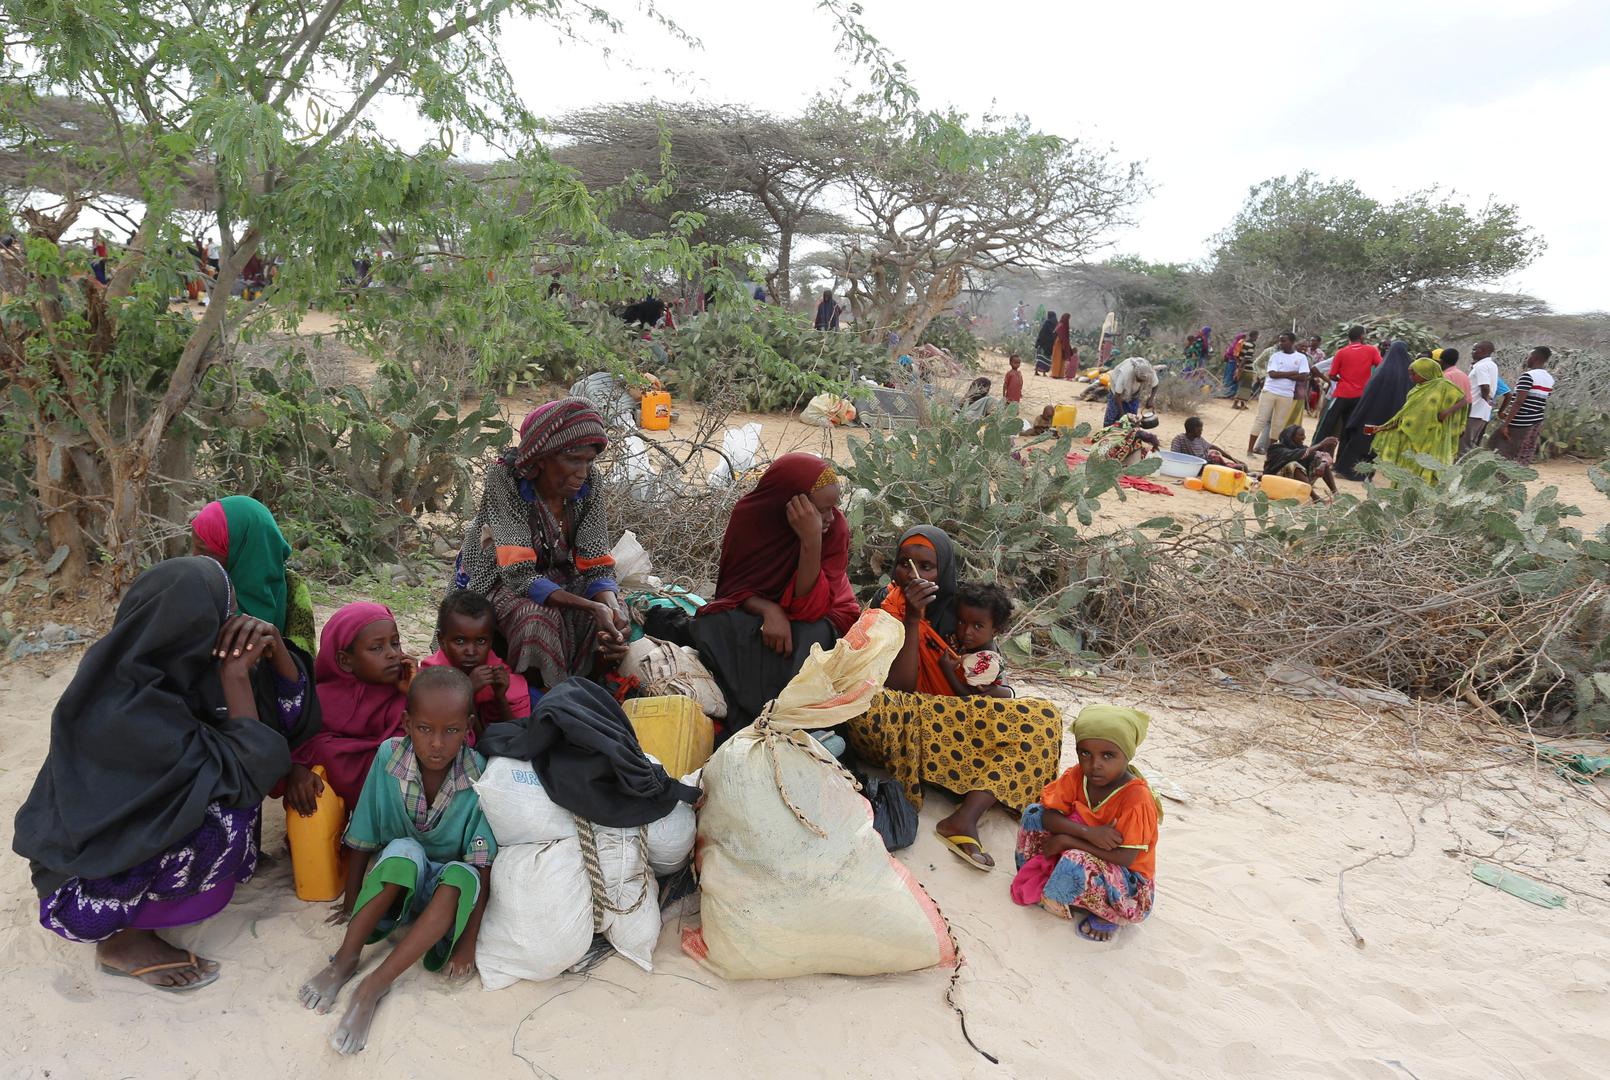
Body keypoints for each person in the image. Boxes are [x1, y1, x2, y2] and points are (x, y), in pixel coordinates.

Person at [12, 558, 320, 990]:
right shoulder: (127, 710)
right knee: (228, 806)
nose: (231, 622)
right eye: (223, 612)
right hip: (81, 895)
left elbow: (290, 724)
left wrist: (277, 649)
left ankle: (151, 908)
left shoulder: (178, 671)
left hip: (109, 857)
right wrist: (235, 676)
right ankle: (123, 942)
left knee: (224, 779)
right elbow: (254, 771)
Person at [298, 667, 495, 1055]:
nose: (437, 743)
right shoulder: (388, 757)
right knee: (404, 850)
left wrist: (467, 944)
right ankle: (345, 959)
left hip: (442, 899)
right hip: (398, 883)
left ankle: (373, 987)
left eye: (451, 731)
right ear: (406, 723)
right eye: (424, 729)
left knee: (461, 875)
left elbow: (482, 863)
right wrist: (352, 902)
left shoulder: (478, 774)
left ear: (468, 728)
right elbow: (364, 833)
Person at [845, 527, 1063, 870]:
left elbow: (986, 690)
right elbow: (899, 689)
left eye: (926, 566)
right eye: (904, 563)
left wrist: (987, 690)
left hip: (950, 718)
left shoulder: (965, 614)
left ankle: (965, 817)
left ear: (943, 570)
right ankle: (959, 776)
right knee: (872, 707)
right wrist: (913, 620)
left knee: (1044, 718)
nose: (912, 574)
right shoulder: (885, 604)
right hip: (897, 717)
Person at [453, 398, 628, 689]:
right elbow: (518, 574)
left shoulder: (589, 485)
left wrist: (609, 608)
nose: (583, 472)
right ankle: (538, 701)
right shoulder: (506, 479)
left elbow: (596, 562)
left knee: (619, 614)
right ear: (543, 457)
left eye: (589, 461)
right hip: (499, 580)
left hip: (558, 576)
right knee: (535, 620)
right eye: (573, 459)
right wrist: (590, 607)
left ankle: (589, 692)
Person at [689, 453, 859, 736]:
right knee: (714, 625)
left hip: (823, 615)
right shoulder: (751, 517)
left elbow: (810, 608)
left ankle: (789, 720)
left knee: (809, 636)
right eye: (822, 509)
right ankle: (753, 715)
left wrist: (811, 539)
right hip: (763, 612)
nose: (831, 517)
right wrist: (769, 610)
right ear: (791, 503)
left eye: (834, 507)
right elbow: (734, 589)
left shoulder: (834, 529)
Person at [1010, 705, 1159, 942]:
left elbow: (1126, 858)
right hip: (1089, 846)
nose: (1094, 764)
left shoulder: (1136, 798)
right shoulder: (1078, 775)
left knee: (1076, 859)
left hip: (1127, 883)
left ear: (1127, 755)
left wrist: (1070, 841)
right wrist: (1088, 833)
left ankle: (1108, 914)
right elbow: (1049, 816)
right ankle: (1048, 880)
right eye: (1085, 753)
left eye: (1108, 755)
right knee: (1033, 814)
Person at [292, 602, 412, 810]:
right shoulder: (320, 700)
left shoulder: (403, 692)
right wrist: (296, 770)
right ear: (345, 661)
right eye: (377, 648)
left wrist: (416, 693)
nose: (393, 654)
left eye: (395, 643)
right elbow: (299, 748)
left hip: (398, 809)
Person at [191, 494, 317, 657]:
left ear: (244, 550)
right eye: (194, 548)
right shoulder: (197, 590)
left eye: (204, 551)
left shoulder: (292, 589)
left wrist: (275, 644)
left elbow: (305, 671)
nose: (195, 558)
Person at [419, 589, 530, 739]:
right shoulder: (431, 676)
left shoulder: (497, 672)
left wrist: (501, 697)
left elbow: (517, 739)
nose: (471, 651)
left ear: (491, 641)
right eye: (459, 641)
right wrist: (467, 692)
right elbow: (463, 741)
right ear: (441, 641)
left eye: (481, 641)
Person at [1364, 357, 1468, 482]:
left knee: (1425, 468)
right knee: (1407, 470)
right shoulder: (1416, 390)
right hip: (1411, 437)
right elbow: (1404, 416)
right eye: (1410, 373)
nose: (1411, 377)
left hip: (1431, 437)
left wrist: (1447, 412)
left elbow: (1463, 400)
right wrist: (1381, 428)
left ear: (1426, 372)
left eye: (1414, 373)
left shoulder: (1443, 385)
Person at [1333, 340, 1414, 481]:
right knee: (1375, 445)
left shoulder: (1383, 369)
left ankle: (1347, 471)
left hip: (1371, 415)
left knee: (1360, 440)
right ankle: (1366, 474)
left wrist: (1358, 414)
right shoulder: (1409, 372)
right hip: (1390, 418)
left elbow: (1369, 393)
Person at [1314, 325, 1383, 442]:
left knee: (1326, 425)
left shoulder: (1341, 352)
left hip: (1342, 394)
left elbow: (1332, 375)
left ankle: (1314, 452)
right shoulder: (1371, 350)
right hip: (1360, 396)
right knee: (1349, 428)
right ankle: (1342, 457)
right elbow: (1381, 367)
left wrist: (1340, 379)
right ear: (1362, 336)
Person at [1489, 347, 1555, 465]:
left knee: (1500, 450)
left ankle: (1501, 480)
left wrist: (1506, 424)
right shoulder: (1549, 379)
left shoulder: (1528, 376)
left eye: (1528, 357)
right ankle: (1515, 479)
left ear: (1534, 358)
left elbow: (1519, 402)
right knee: (1524, 452)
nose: (1526, 360)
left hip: (1520, 422)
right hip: (1536, 421)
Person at [1249, 332, 1311, 456]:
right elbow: (1272, 374)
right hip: (1270, 390)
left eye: (1284, 341)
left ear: (1292, 342)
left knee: (1278, 423)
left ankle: (1271, 452)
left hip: (1286, 394)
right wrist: (1292, 373)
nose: (1280, 343)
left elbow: (1303, 377)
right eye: (1280, 340)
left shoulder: (1301, 358)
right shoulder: (1276, 356)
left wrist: (1282, 374)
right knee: (1261, 419)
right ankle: (1250, 449)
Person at [950, 582, 1013, 696]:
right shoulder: (979, 644)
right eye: (962, 622)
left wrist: (948, 671)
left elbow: (968, 696)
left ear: (995, 630)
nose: (967, 632)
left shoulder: (986, 660)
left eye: (978, 626)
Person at [1264, 425, 1340, 500]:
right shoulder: (1275, 448)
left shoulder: (1300, 447)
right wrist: (1321, 444)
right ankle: (1316, 498)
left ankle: (1336, 494)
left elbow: (1323, 456)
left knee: (1320, 461)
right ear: (1291, 437)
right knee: (1293, 465)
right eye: (1301, 435)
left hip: (1297, 484)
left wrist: (1323, 464)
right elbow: (1295, 455)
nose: (1304, 438)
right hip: (1275, 482)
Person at [1463, 341, 1500, 455]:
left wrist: (1487, 399)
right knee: (1471, 445)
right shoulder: (1491, 365)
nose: (1472, 352)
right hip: (1481, 411)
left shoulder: (1481, 366)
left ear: (1483, 351)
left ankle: (1462, 471)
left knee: (1464, 446)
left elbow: (1484, 386)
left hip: (1474, 410)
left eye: (1475, 349)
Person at [1170, 415, 1244, 469]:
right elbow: (1174, 457)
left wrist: (1233, 459)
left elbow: (1213, 447)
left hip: (1207, 464)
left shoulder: (1199, 439)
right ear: (1193, 429)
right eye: (1199, 429)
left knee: (1242, 466)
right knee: (1236, 469)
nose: (1201, 431)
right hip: (1196, 467)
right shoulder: (1179, 439)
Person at [1103, 355, 1158, 426]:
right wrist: (1122, 414)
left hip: (1134, 393)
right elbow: (1117, 395)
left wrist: (1151, 399)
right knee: (1112, 416)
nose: (1140, 382)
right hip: (1116, 390)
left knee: (1132, 419)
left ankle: (1129, 434)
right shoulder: (1125, 374)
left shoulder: (1149, 372)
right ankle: (1107, 432)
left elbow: (1156, 385)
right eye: (1139, 379)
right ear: (1135, 374)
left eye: (1142, 380)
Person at [1221, 330, 1254, 399]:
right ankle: (1227, 393)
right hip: (1233, 363)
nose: (1244, 339)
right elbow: (1235, 354)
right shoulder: (1238, 344)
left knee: (1233, 378)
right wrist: (1238, 363)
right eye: (1243, 337)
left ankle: (1230, 393)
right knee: (1231, 378)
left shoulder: (1236, 344)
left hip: (1232, 362)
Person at [1050, 313, 1073, 379]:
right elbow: (1060, 335)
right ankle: (1055, 374)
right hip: (1059, 343)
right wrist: (1064, 345)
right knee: (1057, 358)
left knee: (1062, 359)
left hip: (1061, 344)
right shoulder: (1062, 325)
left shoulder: (1062, 325)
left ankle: (1060, 374)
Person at [1033, 311, 1057, 375]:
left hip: (1043, 343)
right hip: (1051, 344)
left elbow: (1042, 333)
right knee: (1047, 358)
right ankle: (1044, 372)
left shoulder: (1047, 323)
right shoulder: (1056, 323)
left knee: (1040, 357)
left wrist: (1038, 342)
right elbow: (1056, 334)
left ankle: (1037, 371)